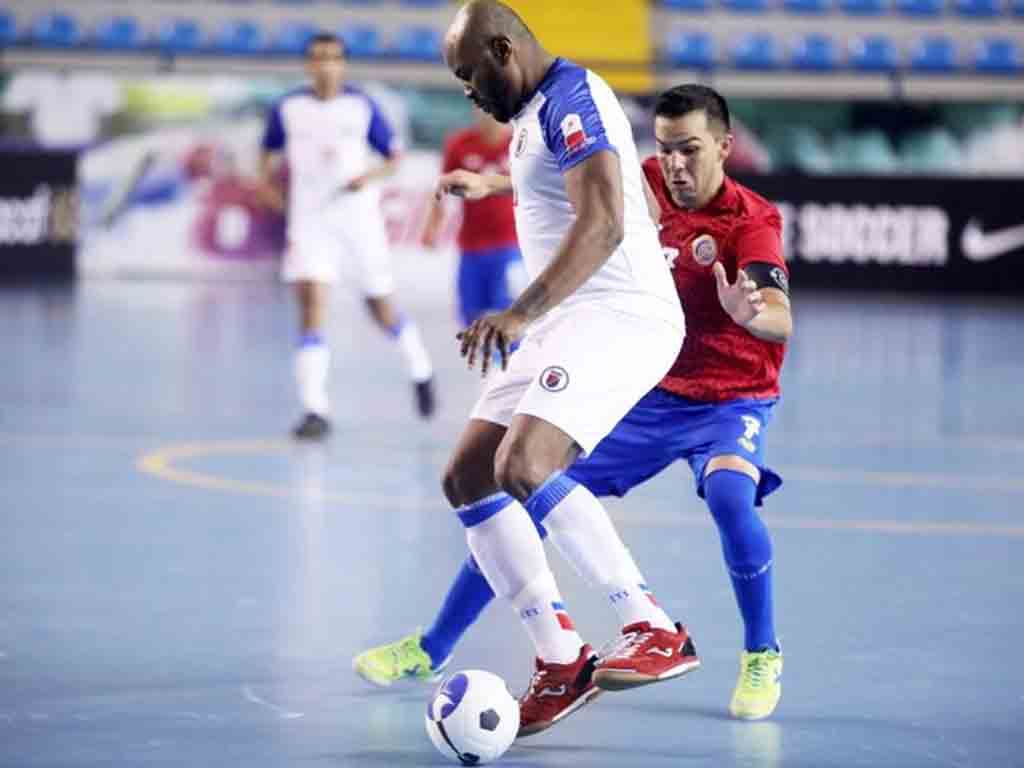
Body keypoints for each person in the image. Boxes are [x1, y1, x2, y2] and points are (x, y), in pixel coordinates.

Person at [354, 83, 793, 722]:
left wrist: (750, 313)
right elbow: (574, 186)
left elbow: (780, 317)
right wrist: (493, 187)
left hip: (729, 401)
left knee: (729, 495)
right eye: (666, 149)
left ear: (725, 147)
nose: (674, 164)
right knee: (522, 486)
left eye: (690, 150)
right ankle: (433, 646)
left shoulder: (752, 220)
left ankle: (761, 651)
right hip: (646, 394)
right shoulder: (643, 185)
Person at [387, 0, 699, 738]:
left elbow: (604, 221)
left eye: (469, 75)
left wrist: (519, 312)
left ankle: (651, 625)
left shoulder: (574, 96)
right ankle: (561, 660)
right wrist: (491, 186)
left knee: (525, 462)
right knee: (468, 475)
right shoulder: (534, 114)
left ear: (503, 50)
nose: (467, 91)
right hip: (567, 321)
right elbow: (568, 188)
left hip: (619, 314)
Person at [258, 33, 436, 440]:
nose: (326, 65)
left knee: (380, 306)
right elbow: (266, 156)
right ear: (308, 64)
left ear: (343, 65)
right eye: (318, 58)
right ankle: (314, 409)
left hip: (357, 220)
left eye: (334, 58)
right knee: (310, 306)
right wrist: (266, 185)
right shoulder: (289, 108)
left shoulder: (360, 106)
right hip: (310, 220)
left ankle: (420, 369)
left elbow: (394, 158)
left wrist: (367, 178)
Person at [421, 107, 524, 329]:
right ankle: (482, 360)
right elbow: (442, 189)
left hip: (509, 244)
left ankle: (509, 361)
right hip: (471, 246)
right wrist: (432, 226)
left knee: (506, 311)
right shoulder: (459, 144)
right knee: (469, 314)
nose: (488, 114)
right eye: (482, 107)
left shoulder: (518, 143)